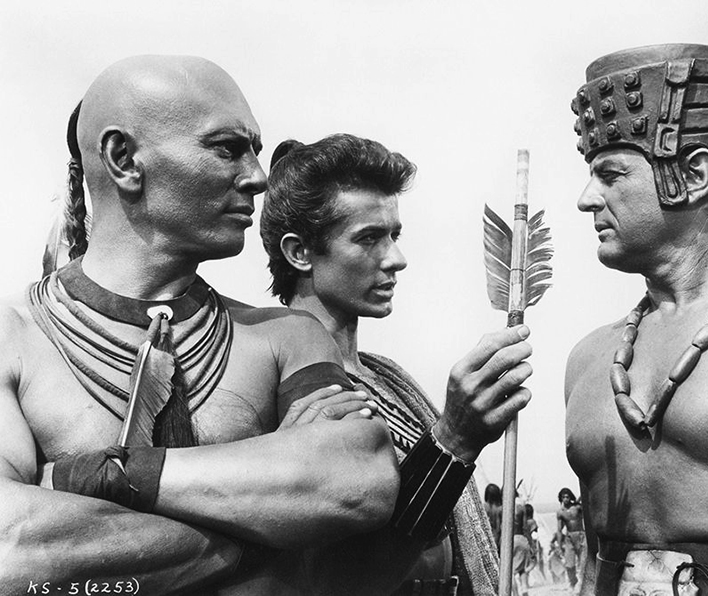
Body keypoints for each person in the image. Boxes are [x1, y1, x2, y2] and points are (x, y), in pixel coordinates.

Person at [0, 55, 400, 595]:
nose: (258, 177)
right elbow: (11, 549)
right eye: (228, 149)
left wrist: (92, 477)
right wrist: (272, 532)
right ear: (124, 159)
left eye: (255, 150)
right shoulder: (14, 337)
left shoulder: (286, 337)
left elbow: (358, 482)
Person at [565, 5, 708, 595]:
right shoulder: (588, 361)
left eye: (611, 175)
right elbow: (594, 561)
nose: (585, 199)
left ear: (694, 174)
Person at [260, 133, 534, 595]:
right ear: (299, 252)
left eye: (395, 236)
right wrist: (453, 438)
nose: (397, 259)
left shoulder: (388, 379)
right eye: (369, 238)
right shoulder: (267, 380)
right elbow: (330, 571)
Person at [556, 488, 585, 594]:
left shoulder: (577, 507)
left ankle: (582, 584)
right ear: (561, 498)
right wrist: (559, 546)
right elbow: (559, 530)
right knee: (569, 564)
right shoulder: (560, 512)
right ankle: (573, 582)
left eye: (567, 497)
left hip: (581, 535)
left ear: (570, 497)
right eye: (563, 497)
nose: (565, 499)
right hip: (569, 538)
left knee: (583, 562)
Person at [484, 482, 503, 548]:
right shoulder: (500, 509)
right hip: (497, 540)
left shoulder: (484, 507)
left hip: (485, 539)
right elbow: (498, 528)